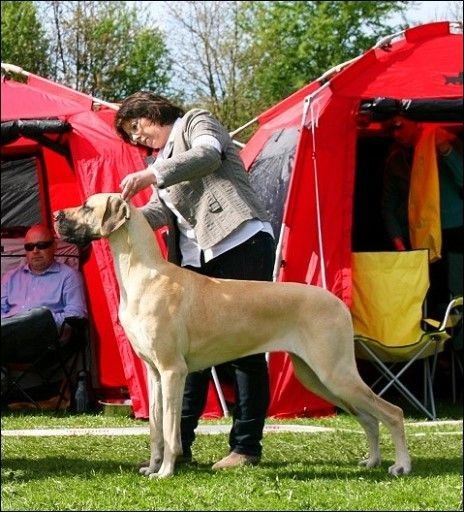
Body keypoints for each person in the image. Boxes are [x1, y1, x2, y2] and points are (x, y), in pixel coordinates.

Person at [115, 91, 275, 470]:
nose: (137, 137)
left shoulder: (195, 122)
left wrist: (151, 175)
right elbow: (158, 211)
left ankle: (246, 448)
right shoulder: (160, 164)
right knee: (185, 356)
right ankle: (179, 446)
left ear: (154, 112)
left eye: (136, 126)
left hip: (240, 242)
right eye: (131, 135)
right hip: (194, 261)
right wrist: (115, 216)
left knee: (245, 351)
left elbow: (208, 155)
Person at [381, 115, 463, 317]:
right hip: (420, 236)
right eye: (391, 129)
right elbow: (388, 206)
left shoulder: (444, 142)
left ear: (416, 121)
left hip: (453, 230)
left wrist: (446, 150)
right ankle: (438, 332)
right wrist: (399, 243)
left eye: (399, 126)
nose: (396, 134)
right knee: (433, 293)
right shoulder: (396, 160)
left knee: (456, 287)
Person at [1, 224, 88, 364]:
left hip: (45, 342)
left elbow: (77, 314)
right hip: (9, 338)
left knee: (40, 315)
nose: (35, 251)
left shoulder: (69, 276)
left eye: (41, 245)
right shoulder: (10, 277)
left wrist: (45, 321)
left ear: (54, 247)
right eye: (29, 247)